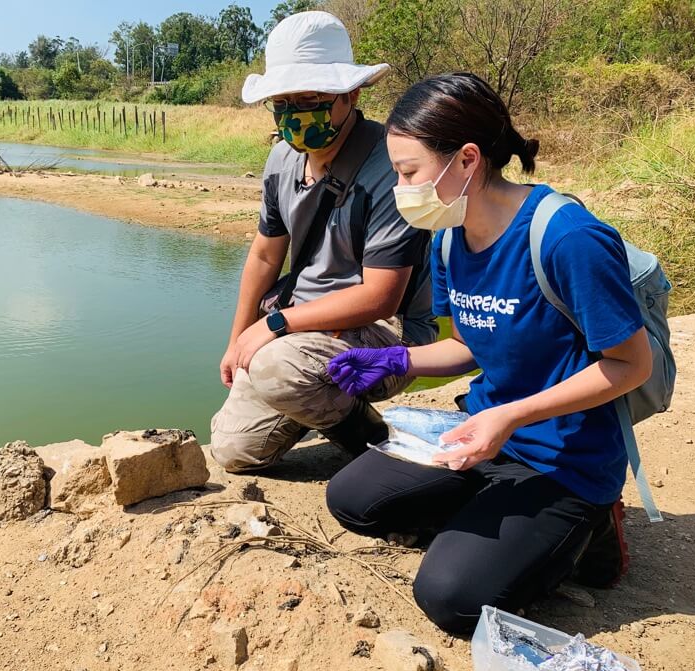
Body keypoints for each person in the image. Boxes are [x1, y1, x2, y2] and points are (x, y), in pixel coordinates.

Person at [325, 73, 653, 634]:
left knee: (449, 598)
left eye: (408, 172)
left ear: (467, 160)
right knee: (351, 499)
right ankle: (496, 524)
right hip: (483, 435)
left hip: (562, 459)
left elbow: (631, 364)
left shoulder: (567, 237)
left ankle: (593, 524)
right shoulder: (450, 237)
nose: (401, 188)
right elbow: (468, 346)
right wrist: (399, 360)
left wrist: (511, 415)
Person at [210, 11, 438, 473]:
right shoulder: (281, 160)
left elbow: (381, 297)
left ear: (350, 95)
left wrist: (272, 328)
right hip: (300, 324)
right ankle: (308, 394)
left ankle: (375, 443)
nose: (296, 114)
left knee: (277, 369)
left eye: (311, 98)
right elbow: (264, 253)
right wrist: (238, 339)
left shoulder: (390, 167)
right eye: (284, 102)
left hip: (386, 333)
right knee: (234, 452)